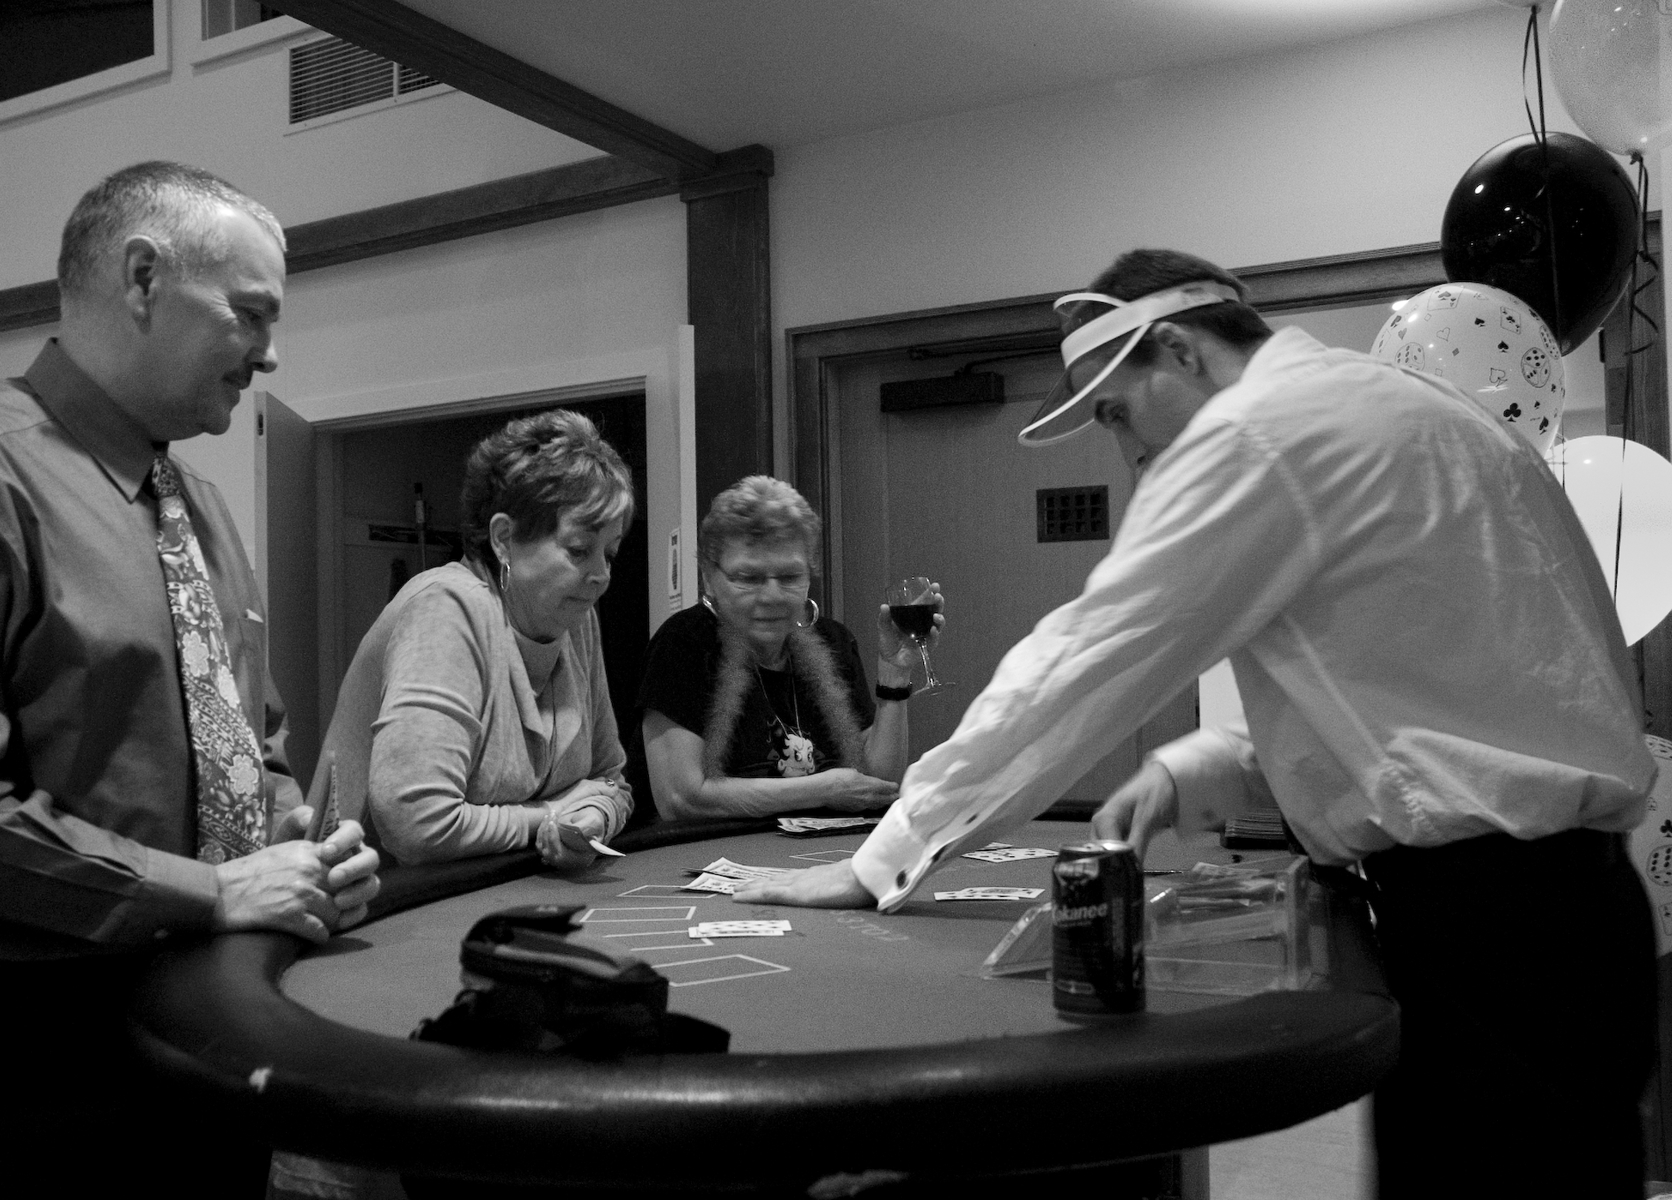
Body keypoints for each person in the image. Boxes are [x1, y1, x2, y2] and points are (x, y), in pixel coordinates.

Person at [734, 249, 1657, 1197]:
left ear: (1178, 351)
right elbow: (1433, 680)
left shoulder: (1257, 433)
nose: (1129, 456)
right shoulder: (1400, 406)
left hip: (1493, 931)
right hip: (1574, 916)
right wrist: (1207, 763)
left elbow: (1084, 658)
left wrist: (882, 855)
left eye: (1118, 414)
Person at [0, 162, 380, 1198]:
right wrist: (218, 890)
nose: (270, 353)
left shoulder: (196, 502)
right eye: (249, 314)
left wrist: (295, 839)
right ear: (144, 278)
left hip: (206, 1041)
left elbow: (254, 740)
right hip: (16, 1067)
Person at [313, 409, 634, 868]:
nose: (601, 575)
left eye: (611, 552)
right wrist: (551, 815)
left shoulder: (576, 619)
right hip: (378, 907)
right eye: (580, 550)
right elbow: (416, 823)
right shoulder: (445, 606)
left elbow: (610, 782)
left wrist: (590, 819)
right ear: (504, 538)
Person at [634, 475, 942, 821]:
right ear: (709, 576)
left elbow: (876, 781)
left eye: (790, 577)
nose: (772, 596)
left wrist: (895, 674)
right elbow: (681, 798)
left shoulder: (832, 641)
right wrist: (823, 790)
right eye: (748, 578)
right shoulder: (684, 644)